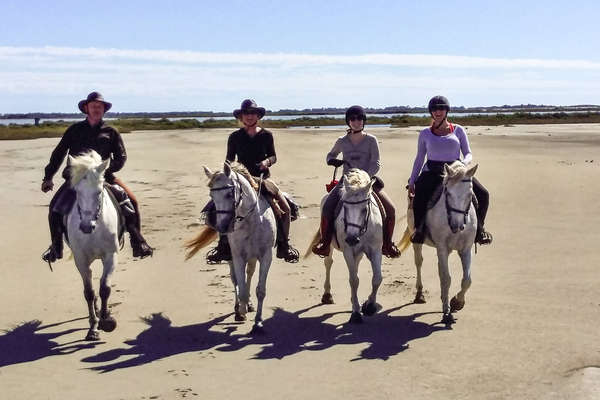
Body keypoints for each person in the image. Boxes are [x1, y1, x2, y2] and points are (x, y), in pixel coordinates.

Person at [41, 91, 154, 263]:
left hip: (103, 177)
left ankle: (138, 242)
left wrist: (105, 171)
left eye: (99, 106)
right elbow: (58, 154)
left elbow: (121, 157)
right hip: (76, 179)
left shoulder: (111, 132)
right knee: (55, 208)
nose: (96, 109)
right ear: (86, 108)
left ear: (103, 110)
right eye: (93, 106)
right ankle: (56, 247)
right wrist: (48, 177)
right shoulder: (74, 130)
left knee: (132, 202)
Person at [206, 99, 300, 264]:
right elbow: (229, 159)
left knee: (284, 208)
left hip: (262, 179)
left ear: (258, 116)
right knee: (217, 207)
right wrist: (226, 172)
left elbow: (273, 156)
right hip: (240, 178)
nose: (249, 117)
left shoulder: (266, 135)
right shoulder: (234, 136)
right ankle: (223, 245)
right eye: (246, 114)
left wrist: (266, 162)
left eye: (252, 113)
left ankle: (284, 245)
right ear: (241, 117)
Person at [311, 105, 401, 258]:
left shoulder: (372, 140)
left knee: (391, 209)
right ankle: (325, 244)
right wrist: (333, 160)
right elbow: (330, 155)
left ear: (363, 121)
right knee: (327, 206)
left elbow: (376, 163)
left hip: (367, 181)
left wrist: (365, 177)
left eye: (359, 118)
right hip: (347, 182)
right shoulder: (342, 140)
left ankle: (387, 244)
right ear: (348, 122)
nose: (356, 121)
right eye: (352, 119)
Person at [408, 95, 493, 245]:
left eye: (441, 108)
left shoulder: (458, 130)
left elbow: (468, 152)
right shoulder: (425, 133)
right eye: (434, 109)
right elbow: (420, 158)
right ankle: (419, 230)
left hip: (456, 171)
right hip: (432, 171)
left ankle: (480, 229)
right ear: (431, 112)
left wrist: (464, 164)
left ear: (446, 111)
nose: (437, 111)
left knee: (483, 194)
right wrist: (413, 179)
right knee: (420, 193)